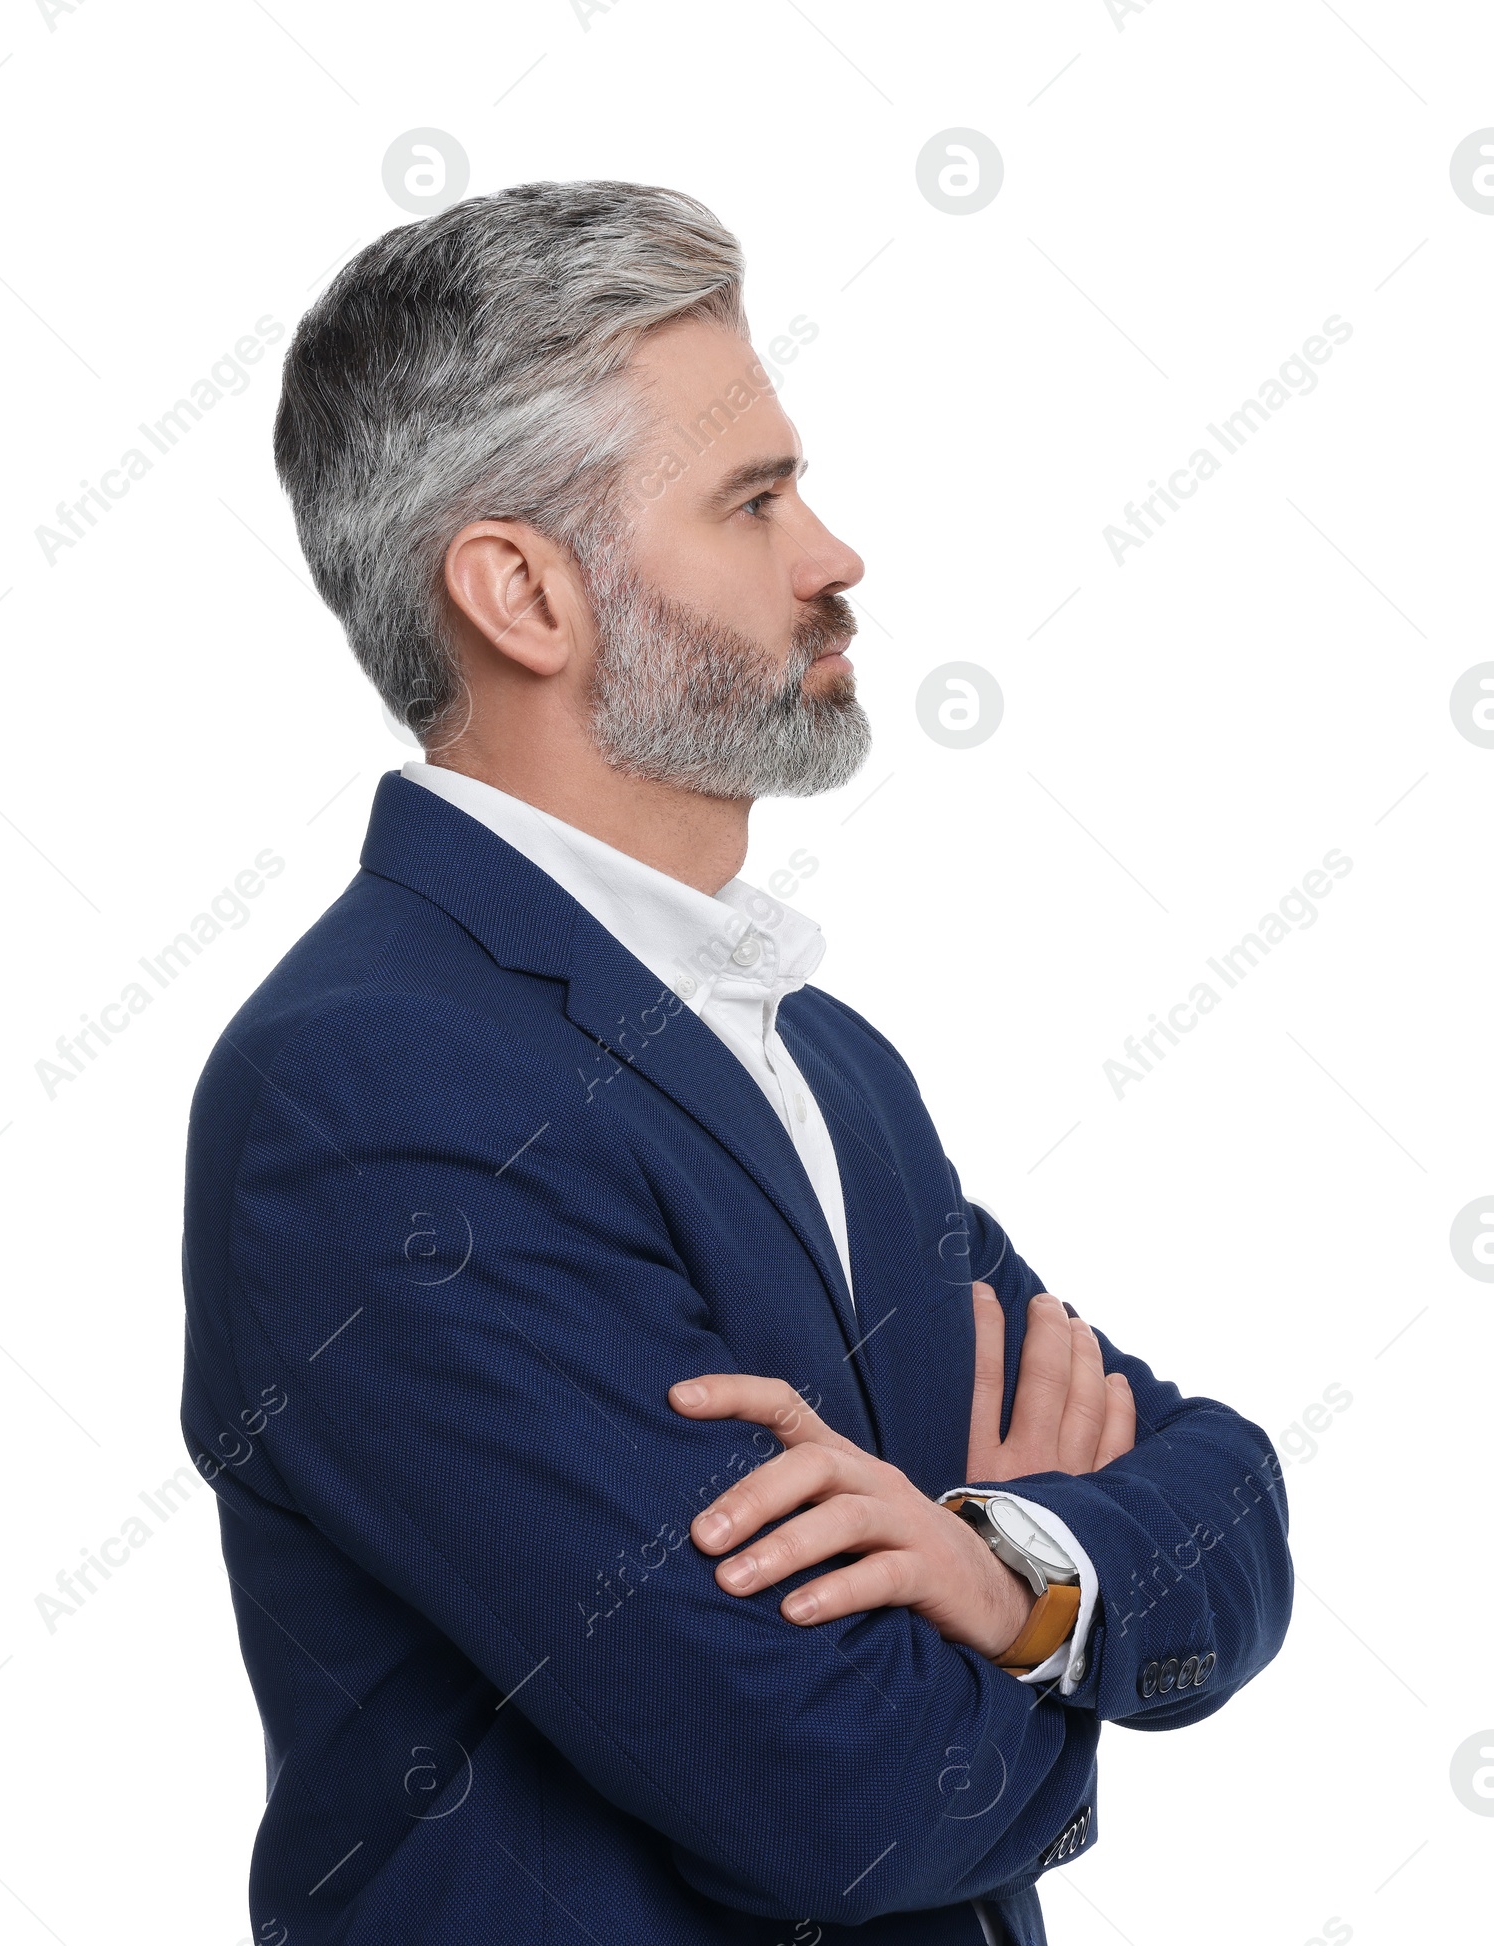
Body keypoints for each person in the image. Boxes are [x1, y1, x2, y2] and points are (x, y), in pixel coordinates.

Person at [180, 180, 1293, 1946]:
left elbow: (1227, 1486)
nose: (833, 553)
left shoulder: (823, 1058)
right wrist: (1062, 1648)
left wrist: (1001, 1573)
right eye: (754, 501)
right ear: (524, 592)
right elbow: (838, 1793)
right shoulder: (375, 1098)